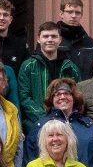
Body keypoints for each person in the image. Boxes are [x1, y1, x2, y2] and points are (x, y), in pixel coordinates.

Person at [17, 22, 80, 157]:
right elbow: (24, 97)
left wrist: (65, 119)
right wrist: (45, 119)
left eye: (53, 36)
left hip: (67, 126)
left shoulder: (71, 67)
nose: (50, 39)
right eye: (45, 36)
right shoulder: (28, 66)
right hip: (36, 125)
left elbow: (77, 96)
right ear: (39, 39)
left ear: (60, 39)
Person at [33, 78, 93, 167]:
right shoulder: (41, 126)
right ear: (51, 99)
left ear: (74, 98)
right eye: (57, 94)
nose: (62, 97)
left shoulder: (87, 125)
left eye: (67, 93)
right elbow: (30, 160)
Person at [54, 0, 93, 79]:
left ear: (81, 15)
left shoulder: (91, 45)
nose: (74, 16)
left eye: (77, 12)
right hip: (59, 91)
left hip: (84, 90)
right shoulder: (51, 40)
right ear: (61, 14)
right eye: (70, 12)